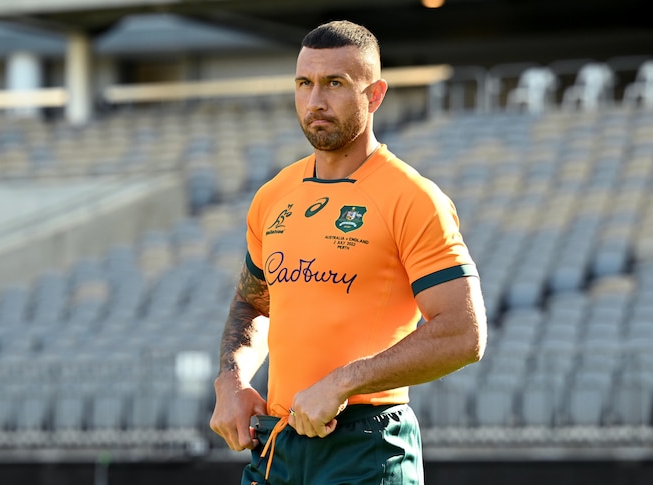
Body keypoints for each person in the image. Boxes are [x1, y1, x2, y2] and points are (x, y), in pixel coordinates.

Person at [209, 19, 487, 485]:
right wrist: (232, 379)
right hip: (279, 443)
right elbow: (255, 302)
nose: (315, 100)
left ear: (374, 95)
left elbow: (464, 332)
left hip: (366, 444)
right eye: (304, 83)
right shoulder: (273, 195)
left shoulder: (412, 197)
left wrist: (343, 382)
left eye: (334, 84)